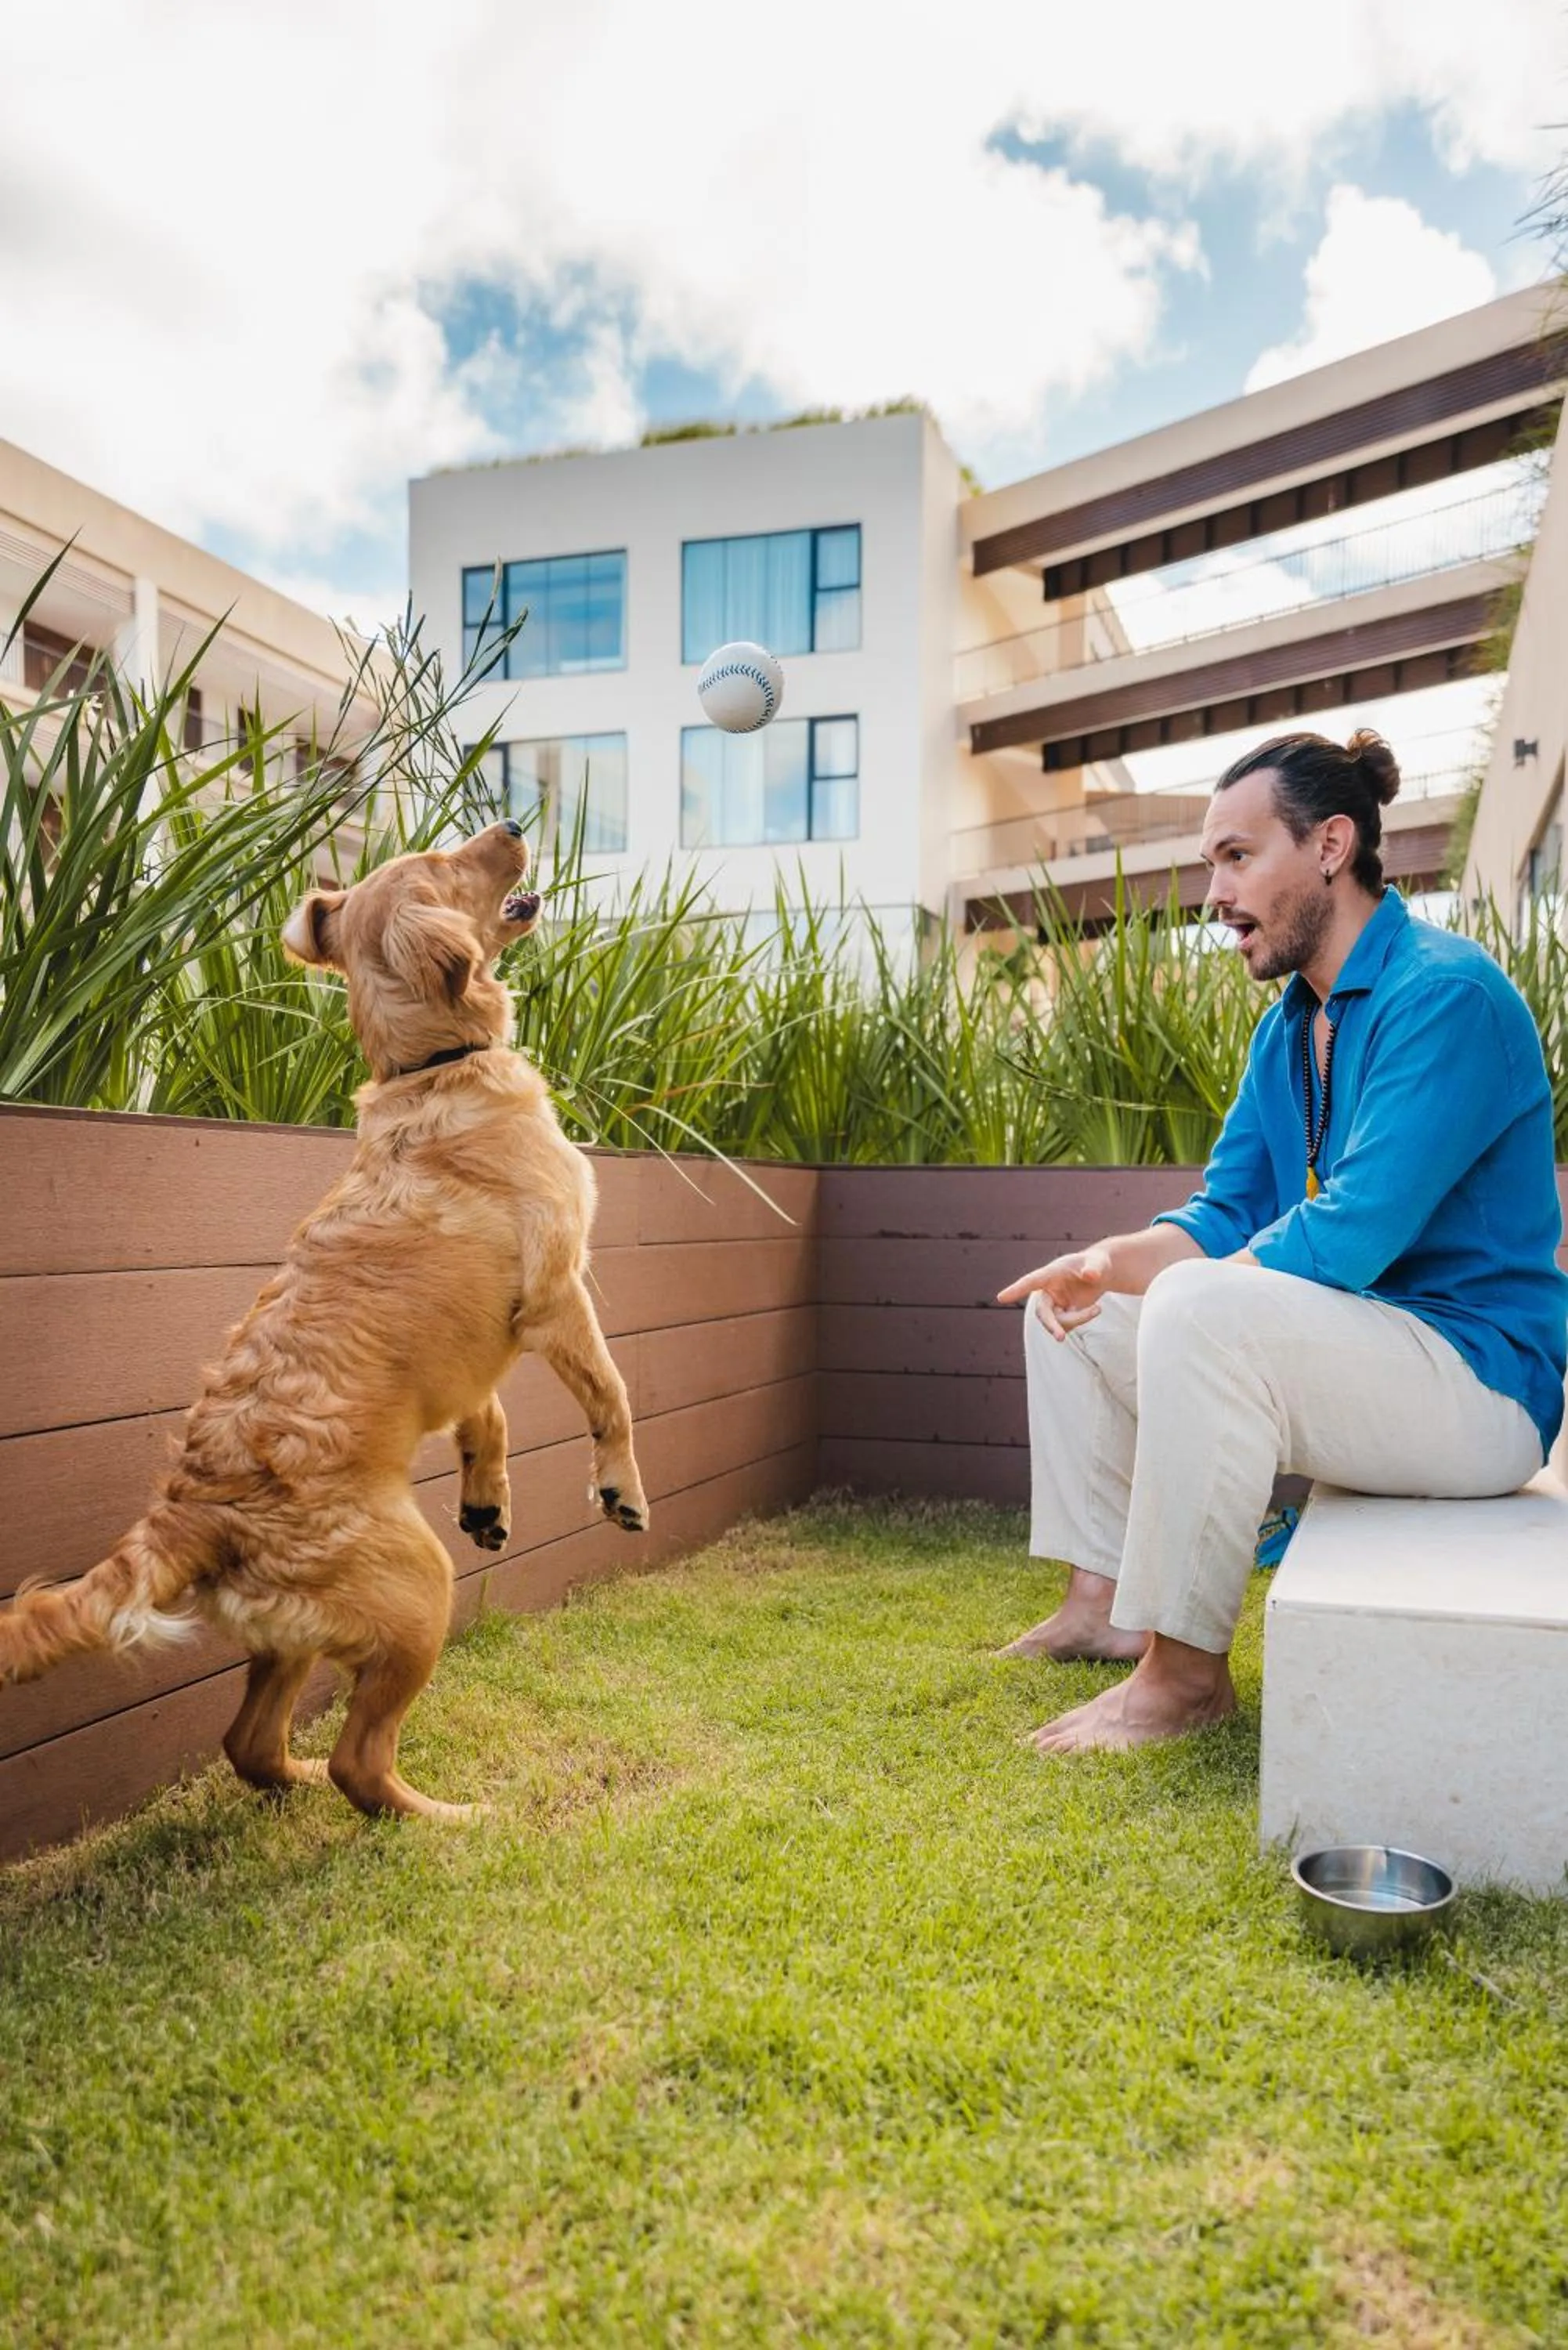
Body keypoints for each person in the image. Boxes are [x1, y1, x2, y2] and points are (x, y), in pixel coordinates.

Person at [997, 728, 1568, 1755]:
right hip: (1369, 1348)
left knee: (1199, 1306)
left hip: (1480, 1391)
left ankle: (1182, 1683)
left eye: (1233, 856)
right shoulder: (1286, 1029)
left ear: (1329, 846)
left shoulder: (1442, 996)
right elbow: (1227, 1209)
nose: (1211, 893)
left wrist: (1188, 1299)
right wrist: (1109, 1266)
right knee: (1072, 1313)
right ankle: (1103, 1607)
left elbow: (1350, 1233)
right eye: (1208, 864)